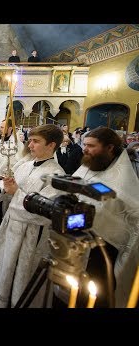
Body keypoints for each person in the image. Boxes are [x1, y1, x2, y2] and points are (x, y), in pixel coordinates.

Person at [0, 124, 65, 307]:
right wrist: (5, 185)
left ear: (51, 145)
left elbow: (45, 213)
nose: (30, 145)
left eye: (36, 141)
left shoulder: (56, 175)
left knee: (21, 274)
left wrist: (16, 192)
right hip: (11, 225)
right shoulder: (25, 165)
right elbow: (7, 189)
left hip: (31, 236)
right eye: (30, 141)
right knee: (5, 265)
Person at [72, 127, 139, 307]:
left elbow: (130, 218)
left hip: (103, 250)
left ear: (109, 148)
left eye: (91, 146)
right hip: (76, 240)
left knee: (94, 293)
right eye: (84, 144)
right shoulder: (89, 164)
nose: (84, 149)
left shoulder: (122, 180)